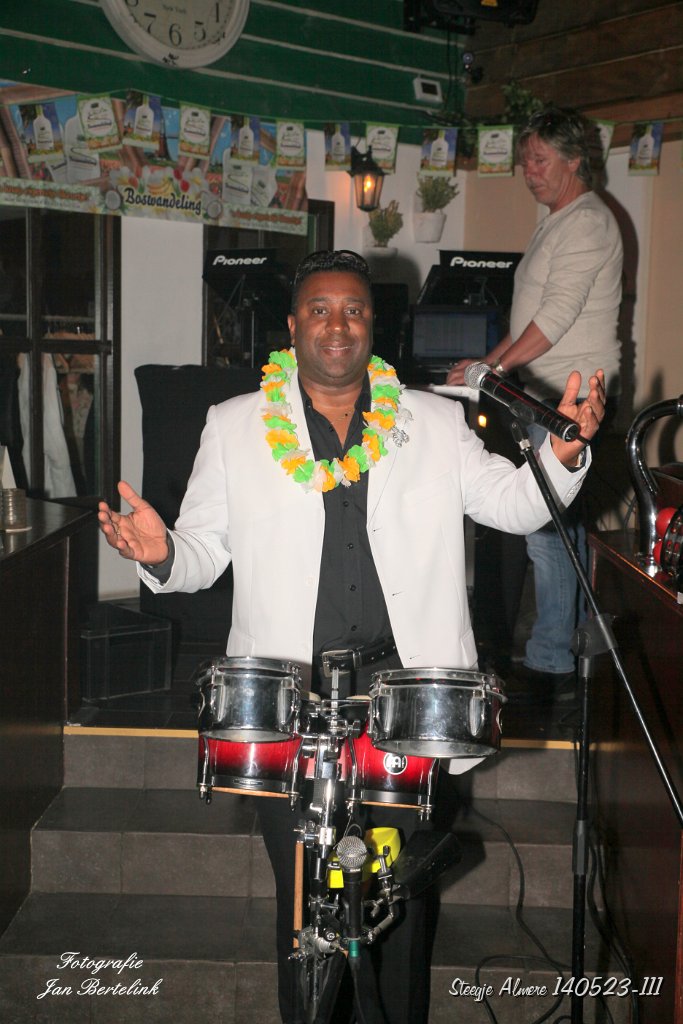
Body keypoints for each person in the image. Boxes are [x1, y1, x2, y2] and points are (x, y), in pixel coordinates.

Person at [99, 249, 606, 1023]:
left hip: (404, 699)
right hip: (287, 702)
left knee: (395, 899)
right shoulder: (234, 426)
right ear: (292, 326)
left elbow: (512, 504)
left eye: (354, 310)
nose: (337, 325)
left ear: (374, 326)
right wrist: (161, 550)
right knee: (307, 907)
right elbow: (201, 553)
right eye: (319, 309)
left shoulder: (432, 420)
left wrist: (559, 455)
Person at [447, 106, 623, 701]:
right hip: (544, 393)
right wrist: (484, 367)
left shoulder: (587, 222)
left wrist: (491, 371)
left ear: (574, 161)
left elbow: (554, 319)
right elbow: (530, 320)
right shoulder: (560, 221)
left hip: (570, 400)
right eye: (525, 161)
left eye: (540, 160)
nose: (529, 171)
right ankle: (561, 652)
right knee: (547, 526)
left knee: (550, 532)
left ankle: (552, 663)